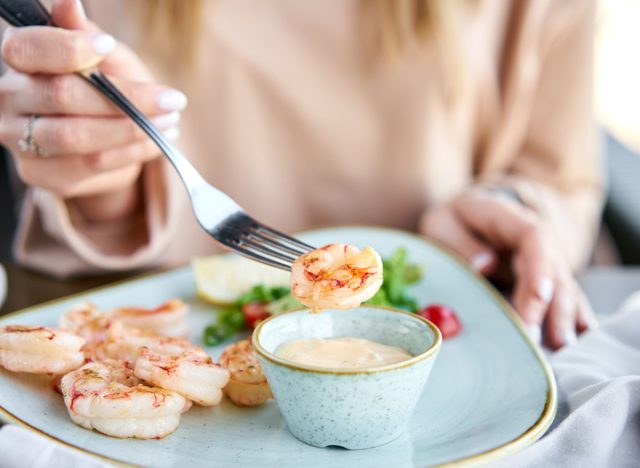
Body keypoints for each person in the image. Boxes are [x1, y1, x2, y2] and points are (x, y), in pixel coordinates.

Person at [0, 0, 602, 348]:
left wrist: (501, 207)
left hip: (448, 323)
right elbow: (67, 89)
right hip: (128, 298)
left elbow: (557, 171)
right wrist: (104, 167)